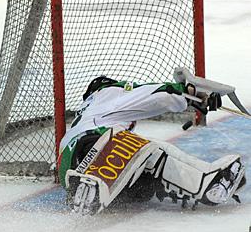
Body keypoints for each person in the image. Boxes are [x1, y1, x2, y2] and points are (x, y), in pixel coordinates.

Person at [58, 75, 246, 215]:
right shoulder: (107, 93)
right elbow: (156, 96)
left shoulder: (82, 119)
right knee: (153, 151)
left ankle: (89, 188)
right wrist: (188, 94)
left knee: (142, 169)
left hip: (73, 167)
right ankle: (208, 183)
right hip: (94, 143)